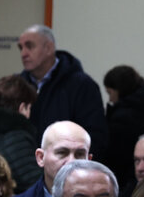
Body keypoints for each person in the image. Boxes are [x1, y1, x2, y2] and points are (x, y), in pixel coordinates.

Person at [18, 24, 108, 152]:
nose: (23, 54)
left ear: (49, 48)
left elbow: (94, 137)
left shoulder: (82, 85)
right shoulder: (17, 86)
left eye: (30, 46)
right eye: (21, 48)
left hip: (67, 162)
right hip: (24, 161)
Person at [101, 64, 144, 189]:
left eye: (110, 93)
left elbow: (115, 156)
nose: (110, 99)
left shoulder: (122, 117)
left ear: (119, 90)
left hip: (127, 178)